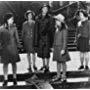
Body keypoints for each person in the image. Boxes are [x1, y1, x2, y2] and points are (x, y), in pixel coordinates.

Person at [0, 13, 20, 86]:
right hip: (4, 49)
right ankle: (5, 79)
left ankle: (15, 78)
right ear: (7, 19)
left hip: (13, 48)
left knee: (14, 63)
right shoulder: (1, 28)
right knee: (5, 64)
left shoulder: (14, 28)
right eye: (11, 19)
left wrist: (19, 46)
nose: (12, 20)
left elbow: (17, 38)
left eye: (13, 19)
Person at [34, 4, 55, 73]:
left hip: (47, 37)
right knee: (42, 53)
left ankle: (47, 66)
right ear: (41, 9)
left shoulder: (50, 18)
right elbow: (36, 30)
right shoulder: (38, 18)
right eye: (44, 8)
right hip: (40, 38)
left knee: (47, 53)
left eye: (46, 9)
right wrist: (36, 41)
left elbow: (52, 29)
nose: (45, 10)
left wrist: (52, 41)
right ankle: (44, 65)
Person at [52, 14, 70, 83]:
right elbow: (55, 39)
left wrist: (63, 49)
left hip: (62, 48)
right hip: (56, 48)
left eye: (57, 20)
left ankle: (64, 76)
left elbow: (65, 40)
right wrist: (53, 46)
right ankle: (58, 75)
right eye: (56, 20)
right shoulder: (57, 28)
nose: (56, 21)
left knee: (63, 62)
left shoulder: (64, 29)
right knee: (58, 62)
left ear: (61, 21)